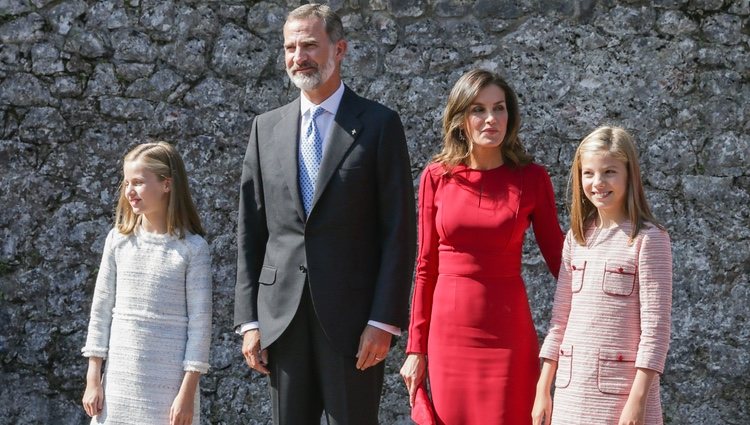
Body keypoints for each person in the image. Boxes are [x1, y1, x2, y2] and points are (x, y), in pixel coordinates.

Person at [234, 3, 416, 424]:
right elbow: (251, 229)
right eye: (290, 47)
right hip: (282, 319)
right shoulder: (266, 128)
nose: (299, 57)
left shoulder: (379, 124)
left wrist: (383, 320)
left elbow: (398, 230)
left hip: (354, 324)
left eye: (310, 45)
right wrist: (249, 320)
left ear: (340, 49)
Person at [400, 69, 565, 424]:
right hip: (448, 336)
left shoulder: (532, 178)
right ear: (461, 120)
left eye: (499, 108)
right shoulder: (436, 176)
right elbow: (426, 266)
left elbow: (561, 261)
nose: (491, 119)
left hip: (508, 333)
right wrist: (415, 348)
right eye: (478, 109)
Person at [532, 126, 672, 425]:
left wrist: (637, 402)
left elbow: (656, 333)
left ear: (629, 174)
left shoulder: (649, 239)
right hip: (571, 396)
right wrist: (544, 388)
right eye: (589, 173)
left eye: (609, 172)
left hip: (621, 399)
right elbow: (560, 321)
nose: (598, 183)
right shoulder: (576, 239)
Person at [81, 142, 212, 425]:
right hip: (118, 382)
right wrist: (94, 379)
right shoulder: (118, 241)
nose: (129, 191)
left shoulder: (193, 249)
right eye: (127, 183)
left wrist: (187, 394)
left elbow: (200, 327)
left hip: (168, 388)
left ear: (166, 184)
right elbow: (101, 312)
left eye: (139, 182)